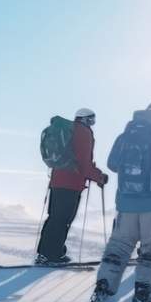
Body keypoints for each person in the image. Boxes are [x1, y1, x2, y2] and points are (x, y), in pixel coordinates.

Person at [92, 101, 151, 302]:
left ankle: (104, 285)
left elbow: (112, 163)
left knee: (119, 245)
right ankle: (144, 293)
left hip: (126, 203)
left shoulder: (125, 135)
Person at [36, 108, 108, 265]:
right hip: (71, 183)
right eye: (92, 119)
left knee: (54, 217)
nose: (92, 123)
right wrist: (99, 177)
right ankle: (53, 254)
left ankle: (45, 253)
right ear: (86, 119)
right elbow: (83, 163)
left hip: (56, 181)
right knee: (63, 219)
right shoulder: (83, 133)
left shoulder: (68, 131)